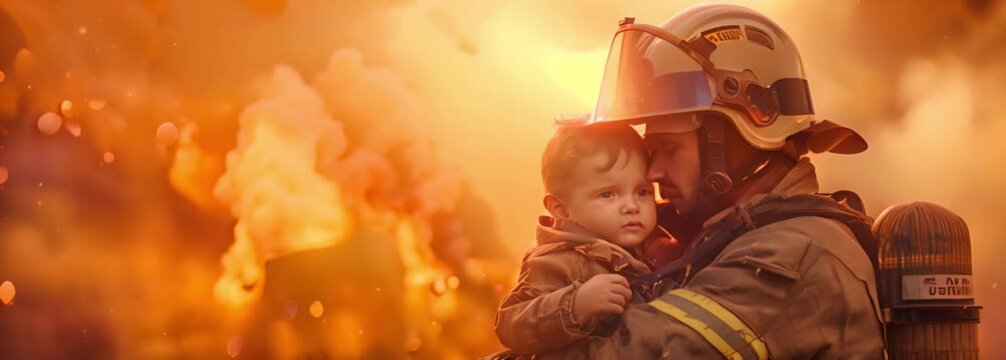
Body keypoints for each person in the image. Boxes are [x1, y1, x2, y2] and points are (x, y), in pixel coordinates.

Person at [574, 4, 886, 358]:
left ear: (735, 139)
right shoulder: (738, 236)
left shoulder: (790, 255)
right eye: (651, 152)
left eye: (671, 149)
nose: (653, 173)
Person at [494, 121, 657, 358]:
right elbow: (511, 325)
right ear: (561, 209)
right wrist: (575, 305)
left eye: (643, 191)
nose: (632, 206)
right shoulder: (559, 258)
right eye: (608, 194)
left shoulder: (645, 245)